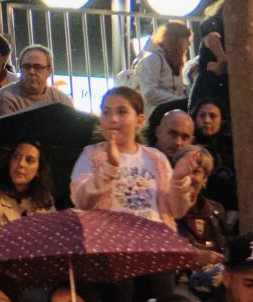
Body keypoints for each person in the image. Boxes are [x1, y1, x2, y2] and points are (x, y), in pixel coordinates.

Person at [71, 87, 195, 225]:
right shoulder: (92, 155)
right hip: (110, 239)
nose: (112, 119)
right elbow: (82, 202)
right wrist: (108, 167)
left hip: (154, 240)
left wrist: (178, 180)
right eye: (106, 112)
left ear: (139, 121)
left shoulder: (157, 159)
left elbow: (178, 212)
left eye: (122, 112)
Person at [0, 140, 54, 238]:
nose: (21, 164)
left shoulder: (44, 202)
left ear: (38, 170)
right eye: (16, 157)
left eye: (29, 160)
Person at [131, 19, 191, 113]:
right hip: (153, 115)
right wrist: (180, 100)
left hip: (167, 112)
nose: (189, 44)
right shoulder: (152, 58)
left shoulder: (172, 60)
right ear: (177, 40)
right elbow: (149, 93)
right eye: (186, 39)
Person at [0, 43, 70, 114]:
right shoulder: (5, 98)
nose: (31, 72)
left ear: (49, 71)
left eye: (37, 67)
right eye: (26, 67)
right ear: (20, 68)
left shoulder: (62, 100)